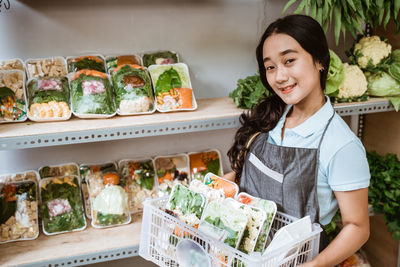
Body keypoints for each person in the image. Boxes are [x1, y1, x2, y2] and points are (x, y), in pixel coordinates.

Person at [224, 14, 370, 267]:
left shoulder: (340, 145)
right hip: (242, 253)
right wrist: (205, 193)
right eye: (270, 67)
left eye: (289, 61)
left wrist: (313, 266)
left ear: (320, 60)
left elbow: (357, 227)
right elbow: (241, 177)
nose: (279, 77)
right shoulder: (270, 117)